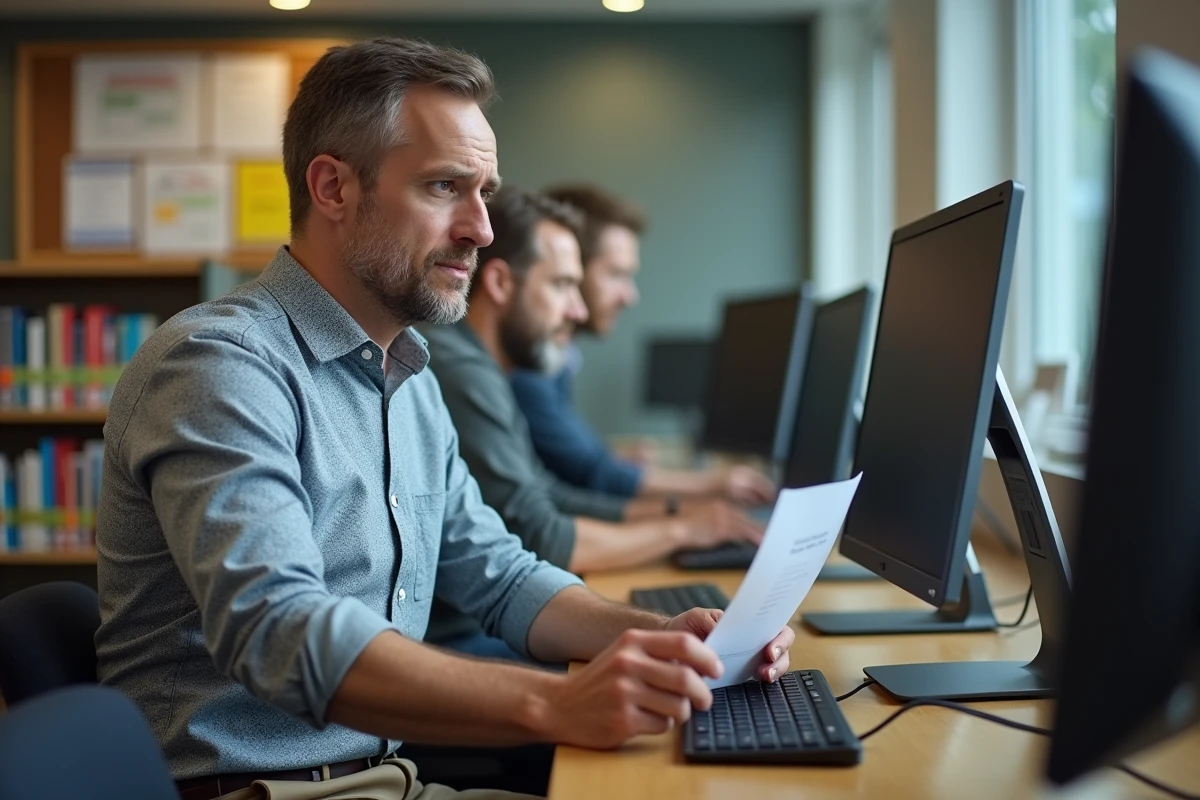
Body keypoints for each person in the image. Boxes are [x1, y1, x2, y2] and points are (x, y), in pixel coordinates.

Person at [94, 37, 793, 800]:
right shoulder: (218, 364)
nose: (482, 228)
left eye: (484, 190)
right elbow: (279, 632)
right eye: (443, 188)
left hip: (388, 778)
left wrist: (656, 636)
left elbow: (499, 577)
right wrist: (559, 703)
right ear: (332, 187)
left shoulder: (409, 374)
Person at [421, 187, 765, 660]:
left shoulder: (484, 370)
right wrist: (681, 528)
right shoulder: (461, 371)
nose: (577, 310)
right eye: (563, 284)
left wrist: (677, 520)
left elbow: (548, 496)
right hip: (459, 640)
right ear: (500, 284)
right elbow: (541, 532)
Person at [511, 185, 776, 504]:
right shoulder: (524, 361)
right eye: (616, 275)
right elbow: (588, 471)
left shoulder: (558, 357)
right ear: (572, 266)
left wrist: (615, 458)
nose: (630, 296)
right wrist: (711, 485)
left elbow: (570, 458)